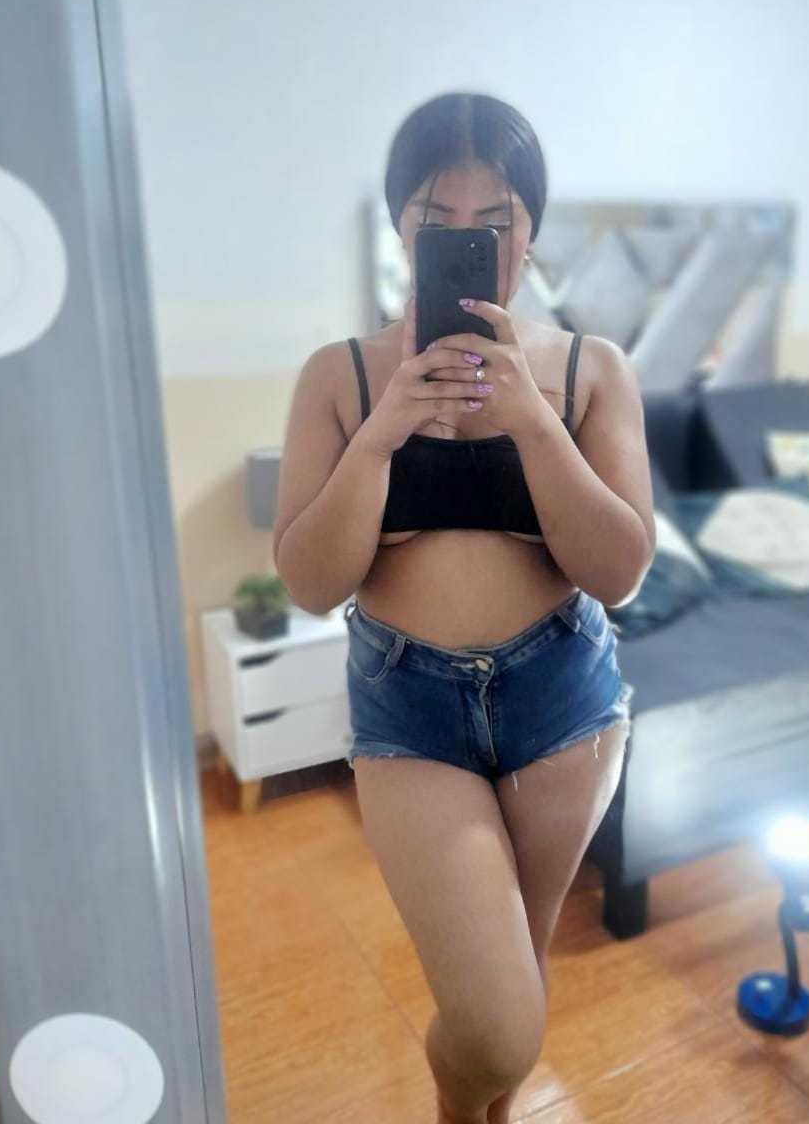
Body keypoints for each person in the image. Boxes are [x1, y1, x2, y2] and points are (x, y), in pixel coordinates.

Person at [272, 91, 655, 1123]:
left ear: (531, 229)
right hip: (410, 705)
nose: (467, 242)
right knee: (494, 1023)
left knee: (517, 975)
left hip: (562, 697)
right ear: (400, 226)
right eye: (436, 221)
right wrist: (380, 435)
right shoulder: (339, 376)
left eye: (495, 222)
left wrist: (532, 418)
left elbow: (619, 570)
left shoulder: (590, 369)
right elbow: (310, 581)